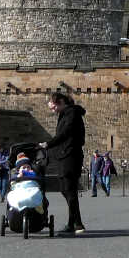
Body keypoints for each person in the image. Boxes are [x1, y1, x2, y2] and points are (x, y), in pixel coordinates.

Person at [41, 90, 86, 233]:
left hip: (71, 156)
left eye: (53, 107)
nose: (53, 111)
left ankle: (78, 223)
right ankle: (72, 223)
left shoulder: (72, 113)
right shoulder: (65, 114)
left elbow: (65, 134)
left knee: (69, 189)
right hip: (64, 156)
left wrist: (48, 144)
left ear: (60, 102)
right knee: (65, 189)